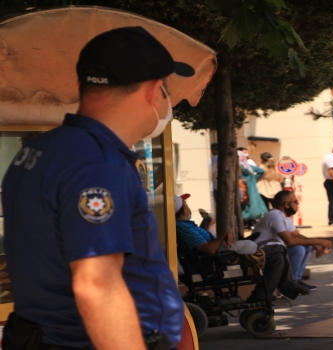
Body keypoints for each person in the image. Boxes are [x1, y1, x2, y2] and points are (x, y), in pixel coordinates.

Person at [1, 27, 191, 349]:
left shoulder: (42, 151)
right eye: (166, 93)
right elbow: (97, 285)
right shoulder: (99, 164)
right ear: (153, 90)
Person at [250, 191, 333, 300]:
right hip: (260, 252)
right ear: (287, 204)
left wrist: (314, 243)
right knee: (296, 249)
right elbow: (290, 241)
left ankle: (295, 280)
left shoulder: (285, 217)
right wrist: (319, 241)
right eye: (295, 202)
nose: (298, 204)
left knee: (305, 246)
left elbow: (297, 236)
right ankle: (289, 284)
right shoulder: (275, 215)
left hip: (272, 250)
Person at [175, 194, 257, 256]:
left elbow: (201, 240)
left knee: (249, 244)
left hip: (217, 253)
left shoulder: (186, 225)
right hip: (215, 257)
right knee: (250, 245)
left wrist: (207, 225)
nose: (188, 207)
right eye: (186, 204)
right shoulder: (183, 227)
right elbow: (209, 249)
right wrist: (224, 234)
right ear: (183, 211)